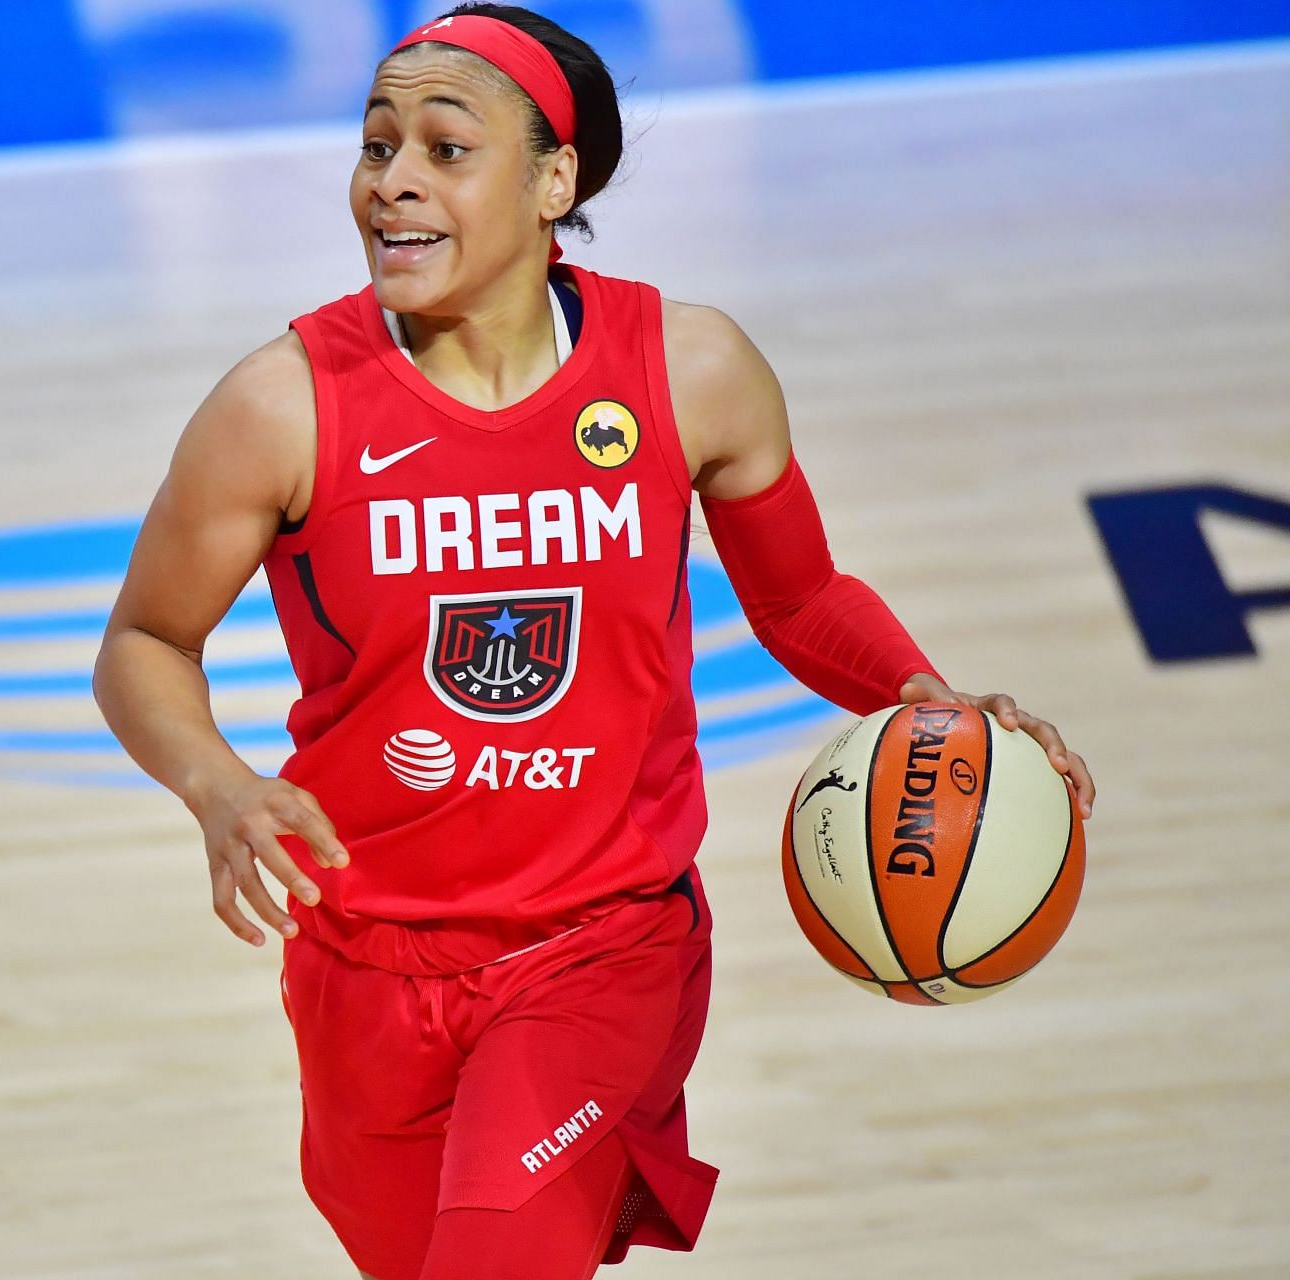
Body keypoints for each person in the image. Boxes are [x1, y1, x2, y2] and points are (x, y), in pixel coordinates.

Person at [92, 6, 1097, 1277]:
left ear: (554, 178)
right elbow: (146, 638)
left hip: (601, 946)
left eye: (445, 149)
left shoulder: (690, 368)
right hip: (365, 964)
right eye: (375, 143)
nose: (391, 178)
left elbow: (797, 597)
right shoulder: (282, 403)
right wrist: (219, 785)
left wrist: (926, 693)